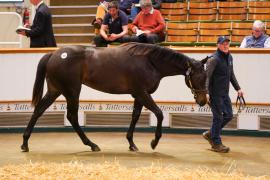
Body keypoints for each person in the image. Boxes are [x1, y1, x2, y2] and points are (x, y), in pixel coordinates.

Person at [203, 36, 244, 153]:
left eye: (227, 43)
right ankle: (216, 143)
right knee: (218, 117)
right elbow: (207, 77)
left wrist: (238, 88)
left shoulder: (230, 57)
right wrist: (206, 92)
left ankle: (211, 133)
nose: (226, 45)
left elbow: (231, 74)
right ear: (218, 45)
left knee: (229, 115)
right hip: (214, 94)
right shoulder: (213, 59)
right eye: (223, 43)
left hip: (224, 93)